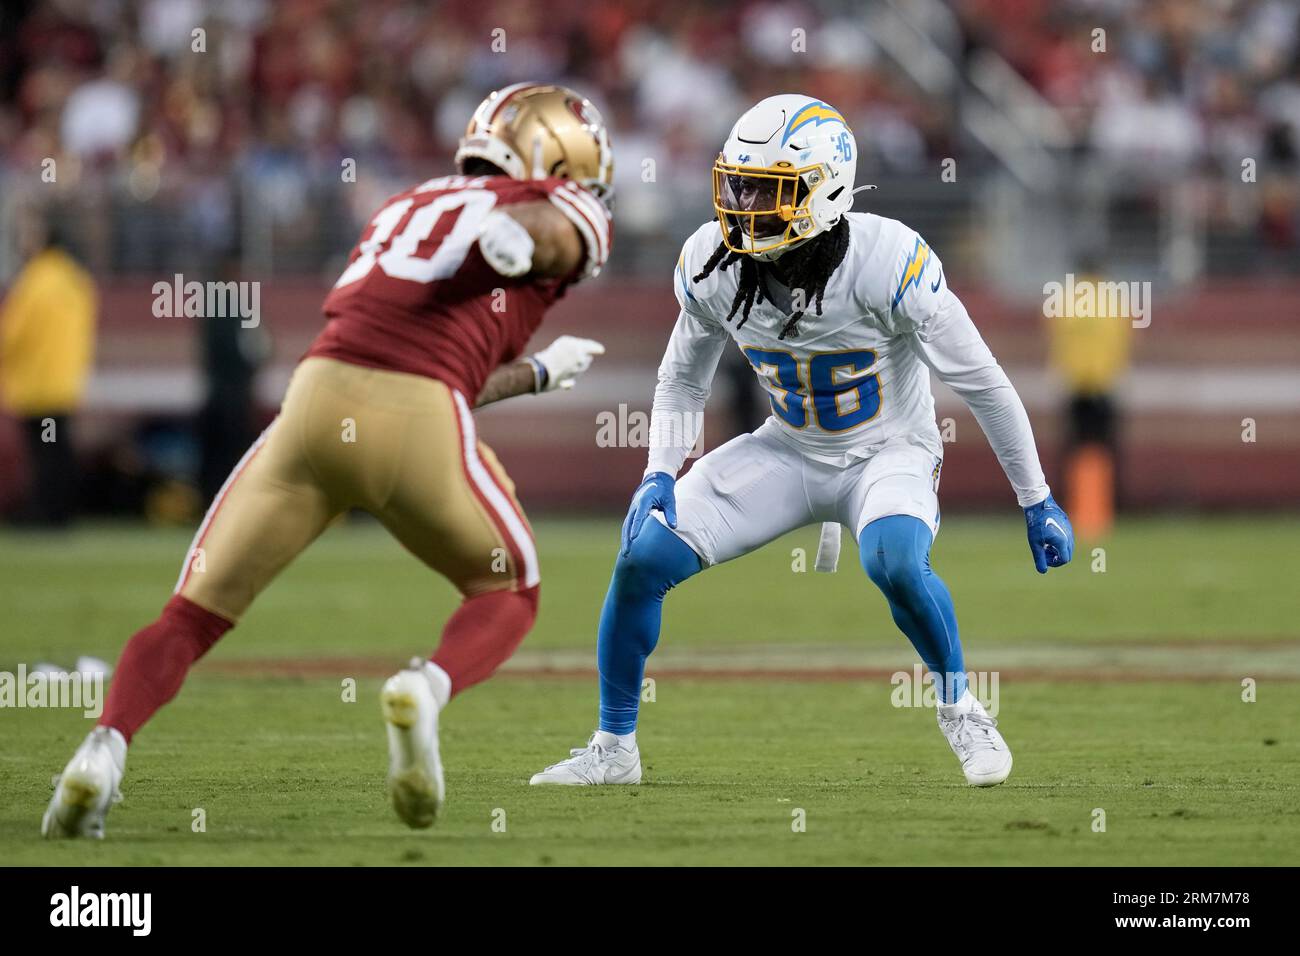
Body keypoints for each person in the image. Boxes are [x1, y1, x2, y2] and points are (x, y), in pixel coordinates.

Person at [43, 83, 614, 838]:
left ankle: (100, 751)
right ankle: (425, 688)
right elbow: (545, 232)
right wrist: (517, 244)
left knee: (188, 616)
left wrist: (538, 371)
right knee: (511, 591)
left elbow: (413, 343)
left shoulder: (403, 205)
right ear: (554, 151)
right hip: (416, 417)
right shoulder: (555, 207)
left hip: (315, 400)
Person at [532, 95, 1073, 789]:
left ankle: (961, 710)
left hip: (888, 451)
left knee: (897, 564)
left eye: (768, 189)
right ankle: (614, 749)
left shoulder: (889, 260)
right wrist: (658, 471)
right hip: (788, 450)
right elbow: (681, 381)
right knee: (640, 558)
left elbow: (985, 384)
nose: (744, 202)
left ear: (826, 191)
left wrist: (1036, 498)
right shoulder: (714, 263)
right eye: (739, 183)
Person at [0, 211, 97, 527]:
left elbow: (11, 336)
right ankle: (62, 511)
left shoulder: (35, 282)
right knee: (57, 450)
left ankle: (45, 514)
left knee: (44, 454)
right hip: (65, 383)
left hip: (37, 386)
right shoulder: (76, 281)